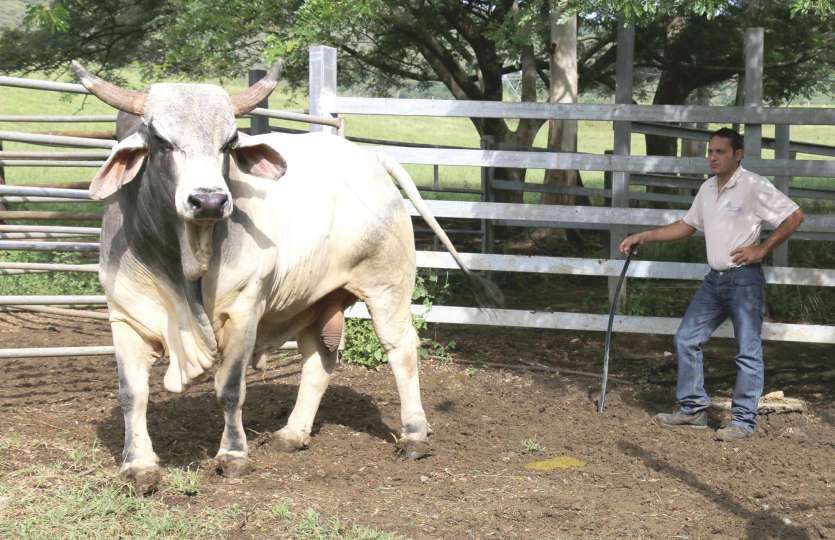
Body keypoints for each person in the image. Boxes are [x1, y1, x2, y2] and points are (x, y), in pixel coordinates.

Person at [619, 127, 805, 441]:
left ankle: (743, 422)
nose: (713, 157)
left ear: (738, 154)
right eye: (711, 151)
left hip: (744, 281)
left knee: (747, 351)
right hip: (714, 281)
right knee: (686, 339)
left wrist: (761, 249)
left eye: (720, 152)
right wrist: (644, 236)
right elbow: (687, 226)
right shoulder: (708, 189)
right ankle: (693, 410)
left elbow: (795, 215)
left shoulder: (752, 186)